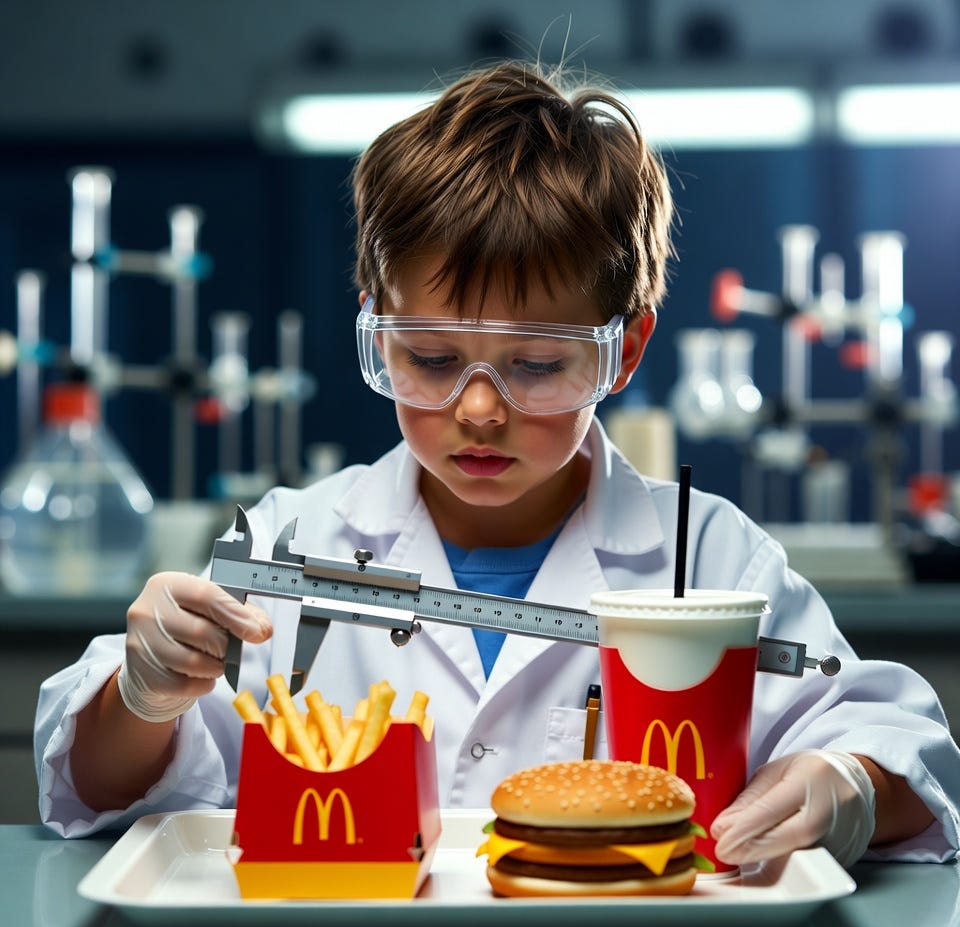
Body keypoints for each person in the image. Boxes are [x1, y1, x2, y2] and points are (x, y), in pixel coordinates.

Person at [35, 61, 959, 868]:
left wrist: (849, 782)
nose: (479, 408)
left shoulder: (712, 557)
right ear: (375, 327)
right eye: (430, 359)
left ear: (623, 352)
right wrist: (142, 696)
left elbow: (903, 744)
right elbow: (100, 783)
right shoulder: (289, 542)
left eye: (537, 365)